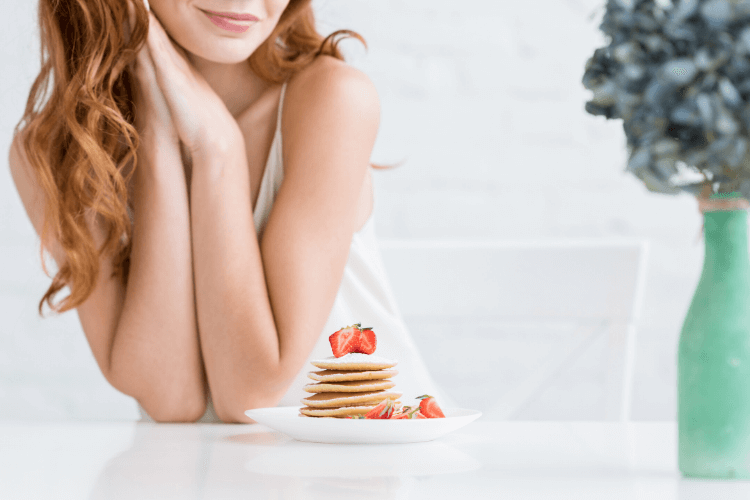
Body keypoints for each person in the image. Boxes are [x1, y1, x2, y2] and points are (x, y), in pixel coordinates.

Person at [8, 0, 453, 423]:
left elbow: (251, 395)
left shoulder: (332, 99)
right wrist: (156, 124)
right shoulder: (56, 151)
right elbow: (169, 397)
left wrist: (217, 149)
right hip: (206, 476)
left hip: (368, 469)